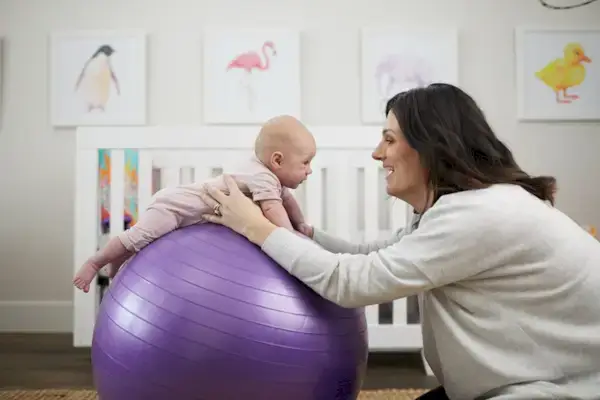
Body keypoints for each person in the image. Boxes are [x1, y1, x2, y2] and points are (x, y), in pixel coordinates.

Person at [198, 83, 600, 399]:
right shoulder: (463, 209)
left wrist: (258, 228)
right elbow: (375, 256)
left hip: (564, 389)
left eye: (389, 139)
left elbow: (350, 282)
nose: (377, 153)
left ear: (430, 146)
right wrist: (304, 235)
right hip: (532, 381)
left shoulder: (480, 215)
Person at [73, 115, 316, 293]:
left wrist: (301, 223)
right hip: (174, 207)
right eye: (305, 163)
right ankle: (96, 261)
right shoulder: (262, 177)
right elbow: (274, 209)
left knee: (135, 242)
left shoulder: (269, 176)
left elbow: (286, 201)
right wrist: (291, 240)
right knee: (137, 238)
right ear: (277, 161)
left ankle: (118, 260)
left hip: (187, 211)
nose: (310, 170)